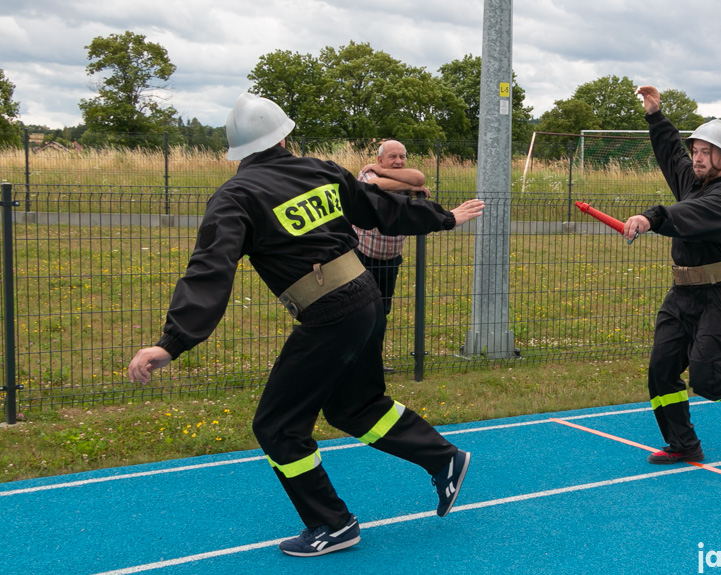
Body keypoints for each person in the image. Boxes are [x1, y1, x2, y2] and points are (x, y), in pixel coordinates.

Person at [128, 93, 483, 556]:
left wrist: (171, 343)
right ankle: (443, 457)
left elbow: (210, 269)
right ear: (284, 135)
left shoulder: (236, 195)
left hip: (331, 315)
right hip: (367, 299)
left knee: (278, 427)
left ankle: (332, 524)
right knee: (354, 406)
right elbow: (379, 207)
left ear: (235, 150)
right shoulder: (320, 169)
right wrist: (443, 217)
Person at [622, 85, 721, 465]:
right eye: (695, 150)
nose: (696, 157)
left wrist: (651, 217)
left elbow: (687, 215)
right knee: (662, 371)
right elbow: (669, 154)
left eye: (705, 152)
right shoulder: (693, 178)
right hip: (682, 294)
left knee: (710, 379)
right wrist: (655, 115)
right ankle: (683, 444)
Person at [352, 140, 430, 371]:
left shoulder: (401, 175)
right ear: (379, 159)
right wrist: (406, 186)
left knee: (382, 312)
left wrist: (399, 179)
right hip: (362, 256)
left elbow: (419, 179)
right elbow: (373, 185)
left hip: (390, 259)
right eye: (392, 157)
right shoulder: (366, 174)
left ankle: (373, 362)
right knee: (361, 312)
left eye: (402, 157)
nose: (398, 161)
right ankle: (355, 362)